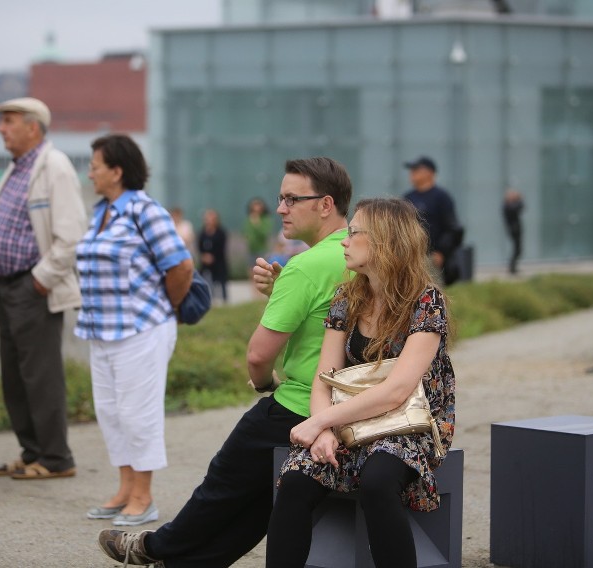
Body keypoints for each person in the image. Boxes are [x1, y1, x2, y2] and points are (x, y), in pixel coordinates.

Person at [97, 156, 353, 567]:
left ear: (325, 204)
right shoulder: (357, 251)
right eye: (279, 198)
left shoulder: (304, 266)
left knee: (225, 480)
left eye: (291, 199)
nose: (280, 209)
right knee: (257, 499)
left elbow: (257, 356)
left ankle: (153, 548)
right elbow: (330, 321)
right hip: (353, 406)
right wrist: (280, 292)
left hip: (303, 404)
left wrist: (267, 383)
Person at [265, 197, 456, 568]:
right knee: (296, 482)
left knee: (378, 481)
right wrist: (323, 432)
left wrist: (321, 422)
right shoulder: (347, 297)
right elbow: (325, 379)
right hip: (347, 420)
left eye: (353, 233)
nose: (344, 241)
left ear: (384, 240)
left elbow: (397, 391)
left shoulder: (426, 301)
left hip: (406, 421)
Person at [76, 134, 194, 526]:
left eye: (95, 166)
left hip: (142, 330)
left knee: (137, 413)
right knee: (111, 413)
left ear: (117, 170)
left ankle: (144, 496)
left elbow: (180, 266)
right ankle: (125, 488)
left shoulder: (146, 210)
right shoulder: (102, 212)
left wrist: (168, 307)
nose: (89, 173)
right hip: (102, 331)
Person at [0, 97, 87, 479]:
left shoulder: (53, 167)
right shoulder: (18, 168)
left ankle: (56, 458)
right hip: (9, 288)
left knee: (40, 376)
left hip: (33, 287)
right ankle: (32, 453)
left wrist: (39, 281)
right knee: (15, 377)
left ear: (33, 127)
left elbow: (71, 237)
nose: (1, 128)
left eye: (8, 121)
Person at [403, 156, 463, 285]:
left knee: (432, 296)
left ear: (429, 173)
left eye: (416, 170)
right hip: (410, 258)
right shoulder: (407, 198)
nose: (411, 174)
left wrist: (441, 252)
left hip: (431, 258)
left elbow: (453, 228)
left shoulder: (441, 197)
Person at [198, 208, 228, 303]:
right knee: (204, 279)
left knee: (220, 281)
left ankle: (224, 301)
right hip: (205, 261)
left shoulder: (221, 232)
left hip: (218, 261)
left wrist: (212, 257)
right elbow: (199, 245)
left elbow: (222, 247)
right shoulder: (202, 232)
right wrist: (204, 256)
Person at [243, 197, 272, 277]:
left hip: (262, 250)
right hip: (251, 250)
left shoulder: (265, 219)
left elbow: (264, 233)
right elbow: (246, 232)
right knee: (251, 272)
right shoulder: (249, 219)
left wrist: (257, 223)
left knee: (262, 273)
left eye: (258, 205)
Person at [502, 188, 524, 274]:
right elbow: (518, 207)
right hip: (513, 229)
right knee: (517, 249)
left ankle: (512, 267)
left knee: (518, 249)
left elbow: (521, 208)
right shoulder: (507, 206)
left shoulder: (510, 205)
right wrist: (519, 200)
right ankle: (512, 267)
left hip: (515, 229)